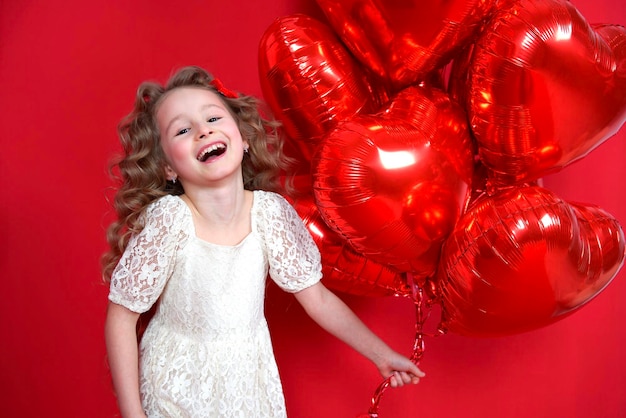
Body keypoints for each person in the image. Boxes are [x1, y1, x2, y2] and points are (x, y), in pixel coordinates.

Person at [102, 65, 425, 418]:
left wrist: (380, 354)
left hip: (247, 384)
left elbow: (316, 297)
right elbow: (121, 318)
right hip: (176, 383)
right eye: (182, 129)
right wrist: (132, 414)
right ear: (168, 168)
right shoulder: (169, 221)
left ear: (242, 139)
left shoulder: (270, 214)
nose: (202, 131)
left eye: (212, 118)